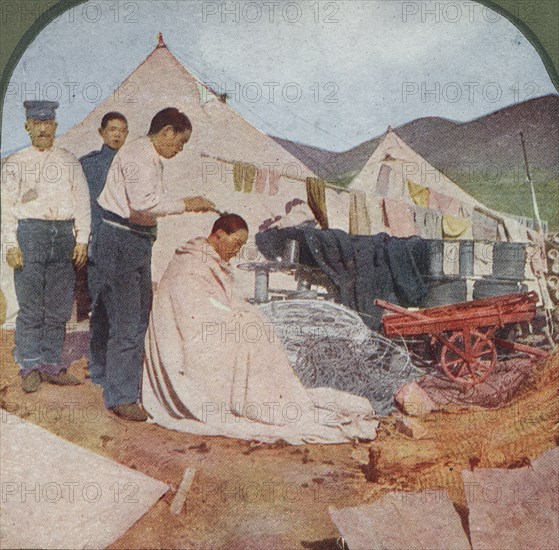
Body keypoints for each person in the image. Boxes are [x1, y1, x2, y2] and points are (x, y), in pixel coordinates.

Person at [142, 214, 379, 444]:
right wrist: (235, 318)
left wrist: (241, 314)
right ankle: (261, 405)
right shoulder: (190, 264)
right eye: (235, 243)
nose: (237, 251)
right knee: (250, 332)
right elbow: (194, 314)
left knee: (256, 326)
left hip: (208, 331)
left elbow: (224, 301)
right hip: (190, 344)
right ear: (219, 235)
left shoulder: (211, 261)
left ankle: (271, 401)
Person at [90, 107, 215, 421]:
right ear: (168, 132)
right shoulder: (140, 157)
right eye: (180, 142)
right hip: (122, 241)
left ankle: (115, 381)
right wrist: (189, 204)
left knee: (131, 315)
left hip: (134, 240)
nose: (179, 149)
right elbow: (143, 203)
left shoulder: (147, 156)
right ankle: (121, 397)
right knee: (129, 322)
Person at [1, 100, 90, 392]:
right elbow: (6, 206)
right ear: (27, 126)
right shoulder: (15, 162)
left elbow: (82, 202)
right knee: (30, 307)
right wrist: (10, 243)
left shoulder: (68, 160)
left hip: (63, 235)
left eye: (48, 123)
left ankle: (51, 363)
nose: (43, 129)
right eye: (37, 124)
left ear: (55, 126)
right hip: (31, 234)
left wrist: (82, 239)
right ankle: (29, 365)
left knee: (58, 306)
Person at [75, 112, 129, 321]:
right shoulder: (87, 164)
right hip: (94, 240)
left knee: (119, 302)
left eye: (122, 131)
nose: (117, 135)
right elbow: (78, 203)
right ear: (102, 132)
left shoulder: (133, 165)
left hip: (123, 241)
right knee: (93, 301)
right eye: (113, 129)